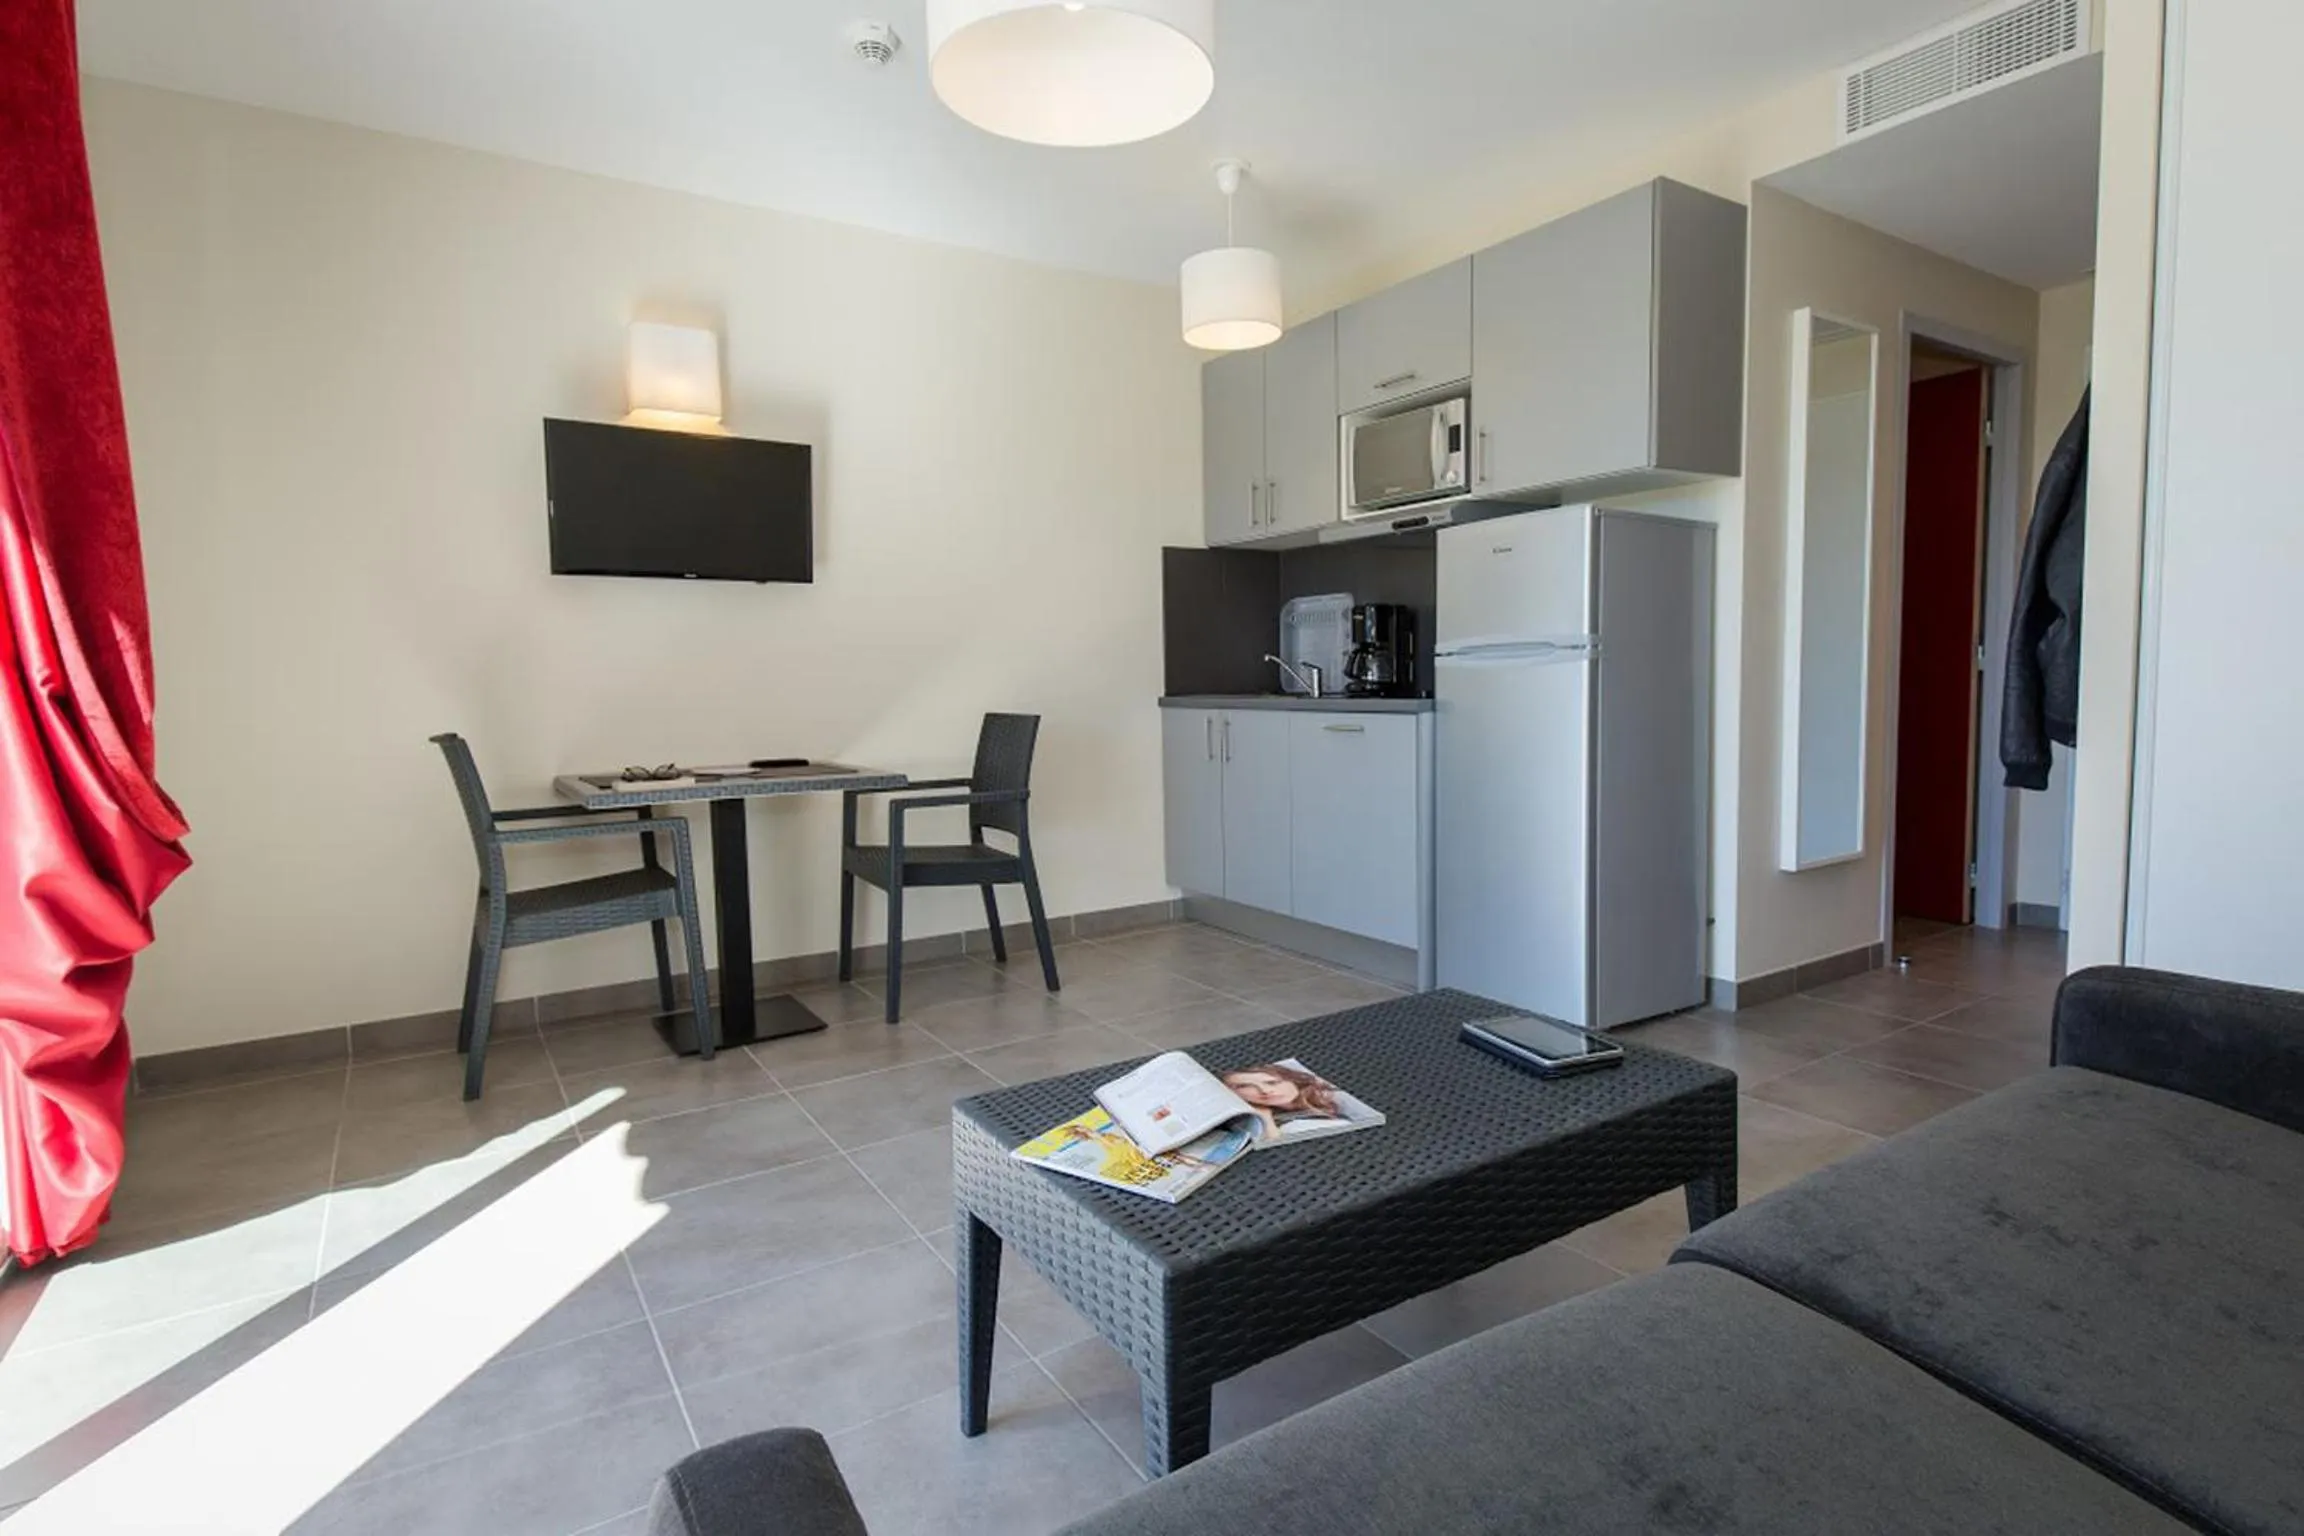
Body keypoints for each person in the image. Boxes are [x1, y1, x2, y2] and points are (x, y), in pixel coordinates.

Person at [1222, 1062, 1348, 1141]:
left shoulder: (1330, 1103)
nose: (1265, 1090)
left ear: (1294, 1081)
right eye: (1245, 1086)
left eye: (1273, 1083)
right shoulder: (1245, 1118)